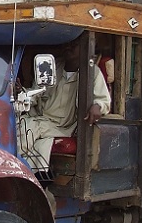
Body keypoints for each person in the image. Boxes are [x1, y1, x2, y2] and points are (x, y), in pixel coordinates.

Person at [18, 37, 111, 170]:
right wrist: (22, 93)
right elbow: (35, 93)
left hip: (63, 126)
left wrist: (97, 106)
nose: (69, 47)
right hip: (40, 118)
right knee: (16, 126)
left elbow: (103, 100)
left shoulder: (92, 72)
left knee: (26, 131)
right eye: (67, 43)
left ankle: (15, 170)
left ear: (84, 47)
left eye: (75, 44)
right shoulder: (52, 66)